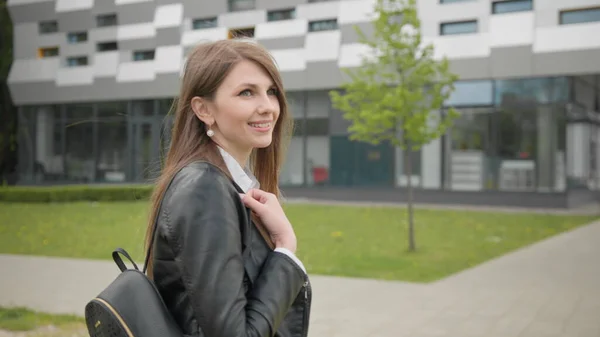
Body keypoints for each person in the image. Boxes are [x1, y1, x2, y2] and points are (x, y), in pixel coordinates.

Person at [144, 39, 312, 337]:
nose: (268, 107)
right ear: (204, 110)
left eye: (271, 91)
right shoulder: (204, 190)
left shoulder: (229, 185)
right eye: (246, 92)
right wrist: (285, 247)